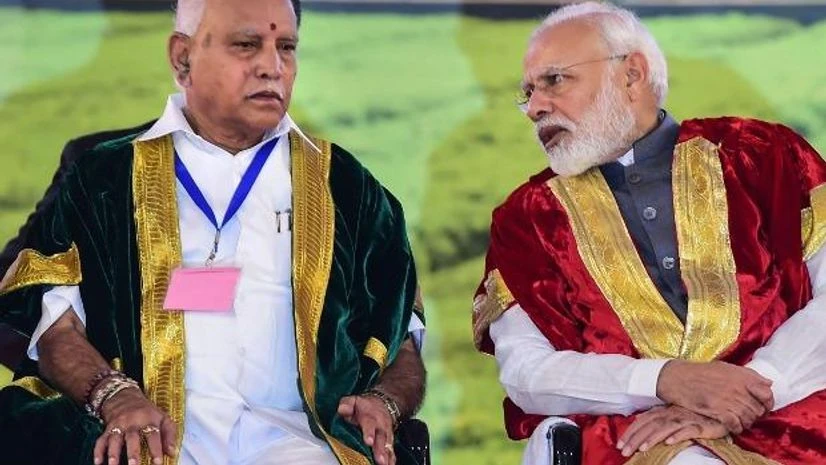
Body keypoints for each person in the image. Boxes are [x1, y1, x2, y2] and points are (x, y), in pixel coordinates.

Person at [0, 0, 426, 464]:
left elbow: (402, 338)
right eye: (246, 45)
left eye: (286, 47)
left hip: (305, 444)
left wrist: (385, 401)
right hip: (150, 440)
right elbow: (57, 328)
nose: (272, 66)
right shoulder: (104, 178)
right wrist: (114, 396)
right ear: (182, 58)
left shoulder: (347, 186)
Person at [472, 3, 826, 465]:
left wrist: (758, 387)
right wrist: (663, 381)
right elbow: (526, 372)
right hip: (636, 432)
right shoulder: (527, 216)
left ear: (632, 75)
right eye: (528, 93)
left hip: (795, 408)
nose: (535, 108)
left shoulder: (764, 156)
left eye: (554, 81)